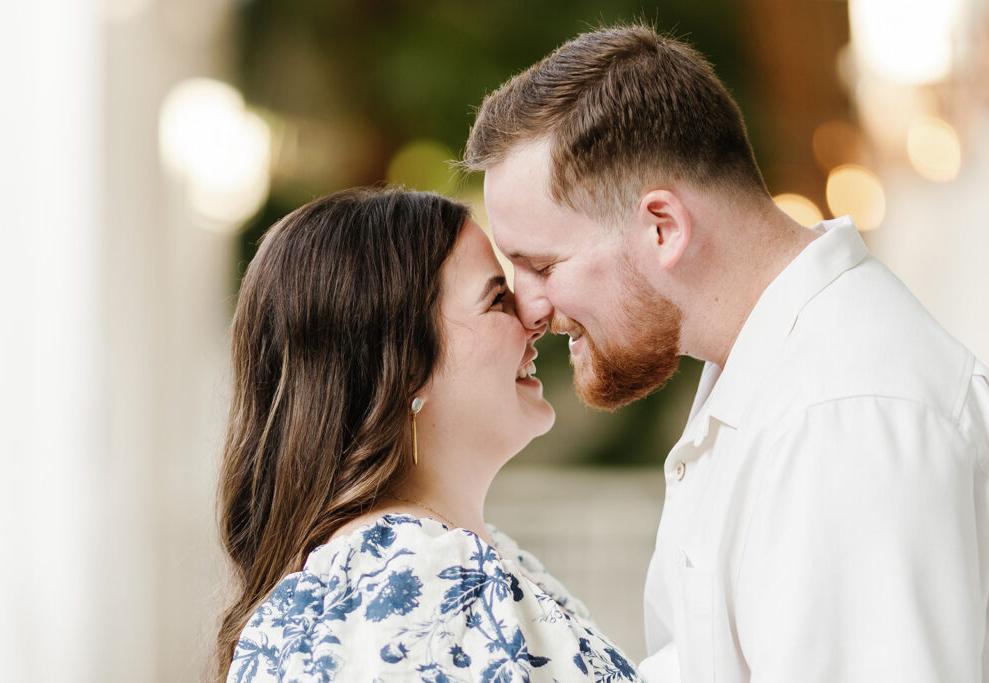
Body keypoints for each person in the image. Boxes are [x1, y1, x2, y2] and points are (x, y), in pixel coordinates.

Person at [464, 23, 989, 683]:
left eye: (541, 264)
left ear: (664, 228)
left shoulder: (842, 414)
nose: (529, 307)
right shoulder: (767, 366)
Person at [214, 187, 643, 682]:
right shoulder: (405, 575)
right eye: (497, 298)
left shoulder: (449, 559)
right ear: (404, 368)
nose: (534, 316)